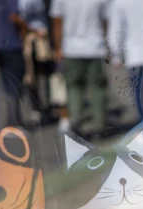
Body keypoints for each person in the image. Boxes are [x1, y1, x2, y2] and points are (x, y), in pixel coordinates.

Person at [49, 0, 108, 135]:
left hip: (71, 48)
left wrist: (58, 48)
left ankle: (75, 121)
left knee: (74, 87)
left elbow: (57, 23)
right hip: (95, 46)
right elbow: (106, 20)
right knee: (98, 87)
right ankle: (99, 125)